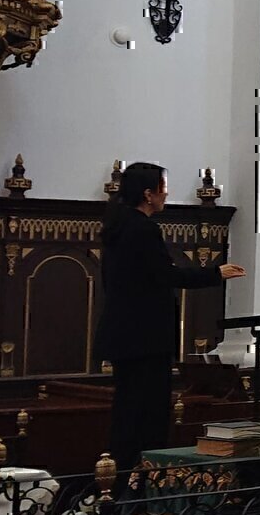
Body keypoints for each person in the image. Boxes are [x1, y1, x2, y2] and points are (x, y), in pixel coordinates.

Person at [96, 163, 246, 470]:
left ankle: (117, 480)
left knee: (127, 412)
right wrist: (215, 272)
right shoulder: (142, 228)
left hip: (125, 336)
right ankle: (141, 483)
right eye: (163, 187)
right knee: (148, 416)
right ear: (148, 194)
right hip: (146, 339)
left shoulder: (118, 226)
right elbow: (165, 274)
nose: (167, 193)